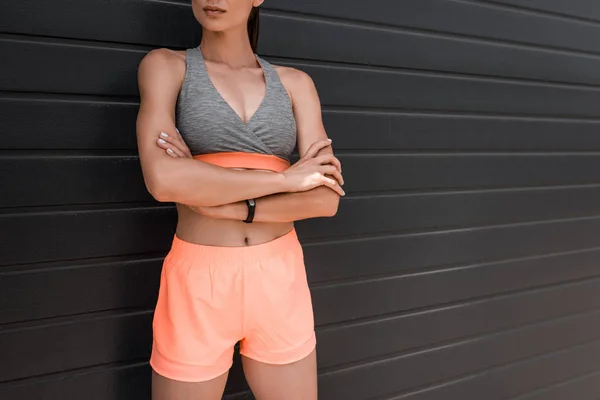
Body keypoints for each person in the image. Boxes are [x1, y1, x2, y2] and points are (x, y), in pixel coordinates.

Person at [135, 1, 344, 398]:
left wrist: (224, 199)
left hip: (280, 277)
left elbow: (324, 198)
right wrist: (285, 179)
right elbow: (163, 180)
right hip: (198, 282)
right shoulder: (166, 67)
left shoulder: (296, 83)